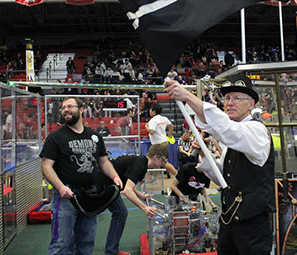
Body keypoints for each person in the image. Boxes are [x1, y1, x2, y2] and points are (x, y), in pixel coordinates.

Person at [165, 74, 275, 255]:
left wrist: (188, 97)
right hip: (228, 221)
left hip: (252, 225)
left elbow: (229, 131)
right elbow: (222, 177)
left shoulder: (257, 131)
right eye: (227, 98)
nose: (230, 102)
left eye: (237, 98)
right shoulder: (230, 138)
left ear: (251, 104)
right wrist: (204, 152)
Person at [40, 97, 123, 255]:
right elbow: (46, 165)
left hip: (90, 196)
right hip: (66, 197)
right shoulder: (55, 138)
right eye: (63, 107)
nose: (65, 110)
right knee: (61, 243)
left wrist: (114, 176)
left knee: (87, 241)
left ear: (81, 110)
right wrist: (60, 187)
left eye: (70, 106)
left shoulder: (95, 136)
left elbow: (103, 161)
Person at [103, 147, 167, 255]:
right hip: (104, 185)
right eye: (163, 160)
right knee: (120, 213)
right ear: (156, 157)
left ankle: (112, 250)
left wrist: (141, 196)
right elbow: (127, 191)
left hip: (110, 184)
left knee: (121, 213)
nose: (164, 163)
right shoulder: (141, 164)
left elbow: (128, 184)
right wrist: (145, 207)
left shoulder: (141, 162)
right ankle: (111, 251)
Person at [145, 103, 177, 176]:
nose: (149, 111)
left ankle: (177, 175)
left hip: (157, 145)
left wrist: (146, 127)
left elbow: (152, 131)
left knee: (152, 160)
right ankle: (155, 177)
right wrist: (170, 135)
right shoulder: (164, 118)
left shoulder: (153, 120)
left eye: (150, 110)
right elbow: (171, 126)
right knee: (158, 161)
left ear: (154, 111)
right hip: (165, 142)